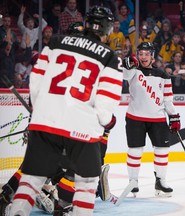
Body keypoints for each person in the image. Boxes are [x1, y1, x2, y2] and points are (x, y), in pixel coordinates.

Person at [8, 6, 123, 216]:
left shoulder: (55, 42)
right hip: (82, 127)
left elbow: (36, 79)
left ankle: (17, 211)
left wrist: (40, 108)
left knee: (32, 178)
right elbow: (106, 102)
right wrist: (106, 121)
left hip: (46, 122)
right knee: (87, 183)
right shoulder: (109, 57)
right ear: (107, 29)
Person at [122, 42, 180, 197]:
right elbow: (124, 75)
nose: (143, 57)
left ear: (152, 57)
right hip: (135, 118)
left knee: (162, 150)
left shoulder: (163, 75)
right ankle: (133, 182)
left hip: (158, 118)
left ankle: (160, 181)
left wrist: (173, 116)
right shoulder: (133, 71)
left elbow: (168, 99)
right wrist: (127, 65)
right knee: (135, 150)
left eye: (147, 54)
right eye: (141, 53)